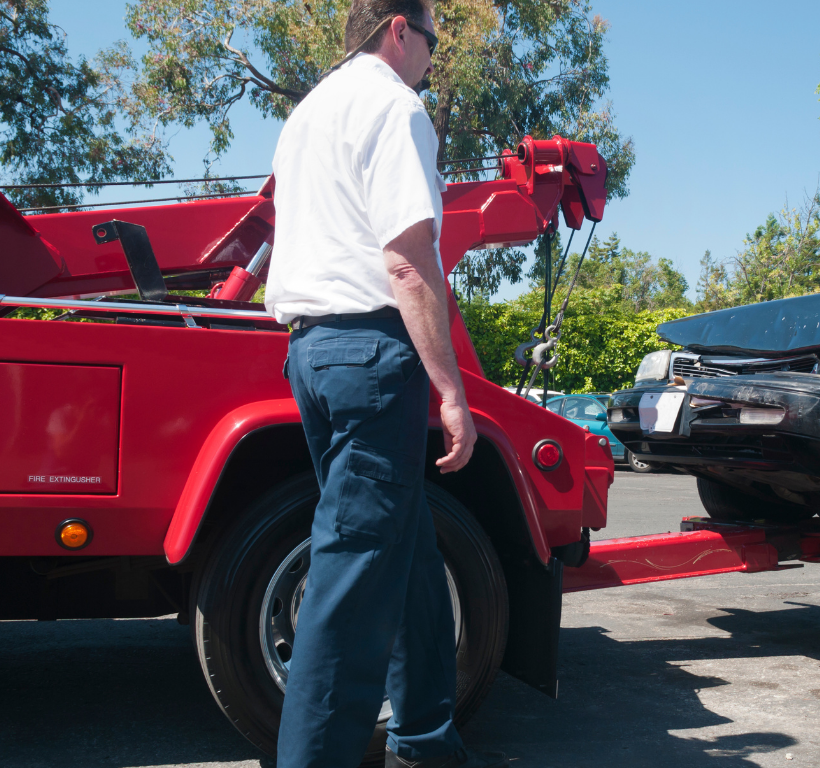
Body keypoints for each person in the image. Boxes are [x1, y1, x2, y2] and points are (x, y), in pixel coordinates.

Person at [263, 2, 506, 767]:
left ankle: (428, 741)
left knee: (407, 550)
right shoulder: (394, 107)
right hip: (370, 352)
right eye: (432, 41)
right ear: (399, 29)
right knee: (353, 577)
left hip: (312, 352)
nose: (432, 59)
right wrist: (451, 388)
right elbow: (407, 260)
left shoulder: (307, 114)